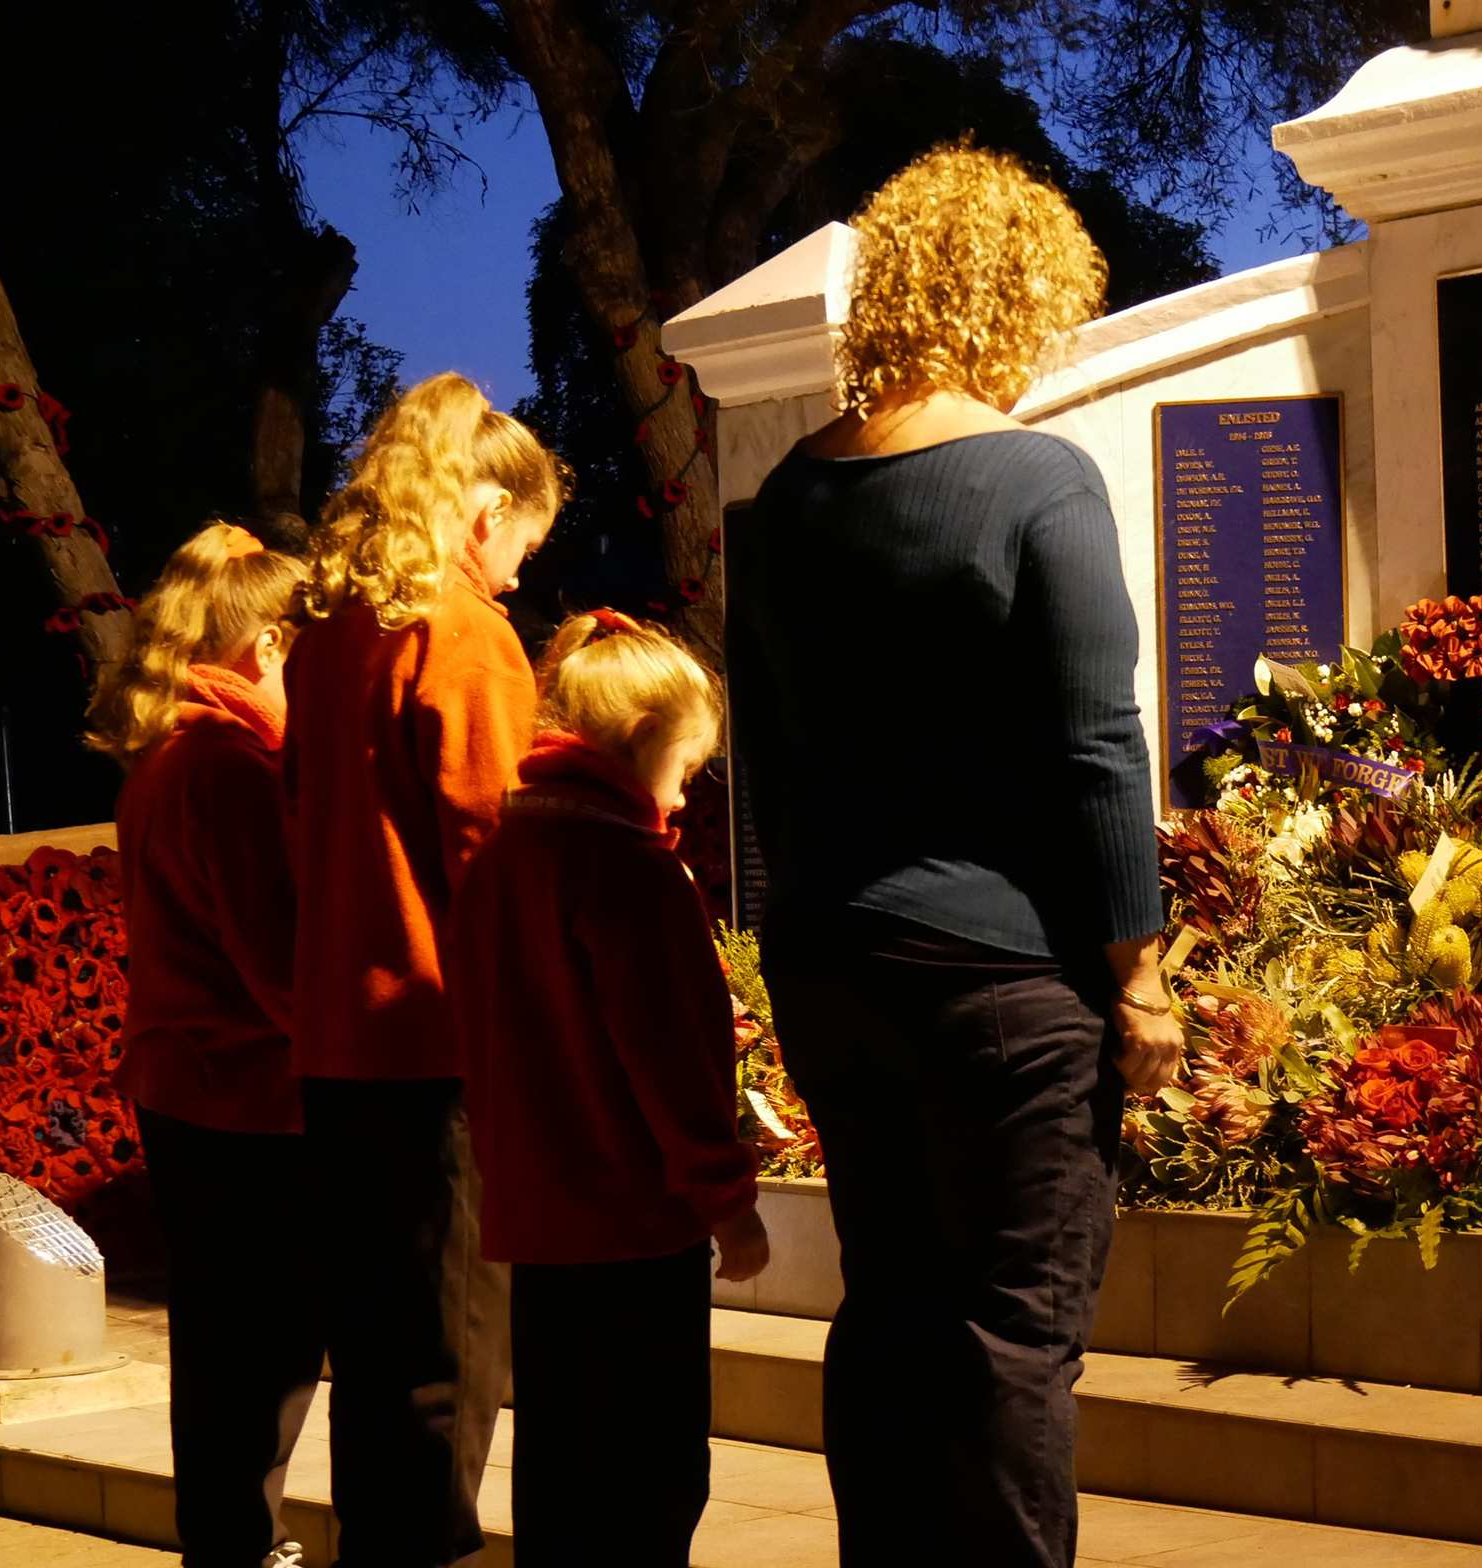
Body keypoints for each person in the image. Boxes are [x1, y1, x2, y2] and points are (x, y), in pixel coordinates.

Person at [725, 143, 1185, 1568]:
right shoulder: (1038, 482)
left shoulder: (789, 500)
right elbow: (1097, 741)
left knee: (891, 1312)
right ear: (1014, 300)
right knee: (1014, 1338)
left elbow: (771, 754)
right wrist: (1143, 975)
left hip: (835, 968)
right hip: (1005, 982)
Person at [282, 372, 567, 1566]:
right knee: (452, 1363)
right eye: (521, 545)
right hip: (443, 1046)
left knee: (380, 1360)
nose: (517, 576)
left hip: (339, 1044)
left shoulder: (333, 636)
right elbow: (496, 862)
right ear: (483, 510)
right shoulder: (463, 637)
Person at [451, 608, 771, 1568]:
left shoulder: (500, 860)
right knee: (651, 1476)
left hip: (538, 1226)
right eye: (684, 767)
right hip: (635, 1223)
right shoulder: (631, 873)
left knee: (563, 1470)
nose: (684, 794)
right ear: (640, 747)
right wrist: (730, 1205)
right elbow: (668, 1059)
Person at [86, 521, 321, 1568]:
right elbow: (278, 960)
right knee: (260, 1344)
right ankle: (242, 1540)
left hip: (192, 1084)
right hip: (248, 1092)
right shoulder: (229, 766)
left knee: (226, 1339)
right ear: (266, 645)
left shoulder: (169, 754)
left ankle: (230, 1537)